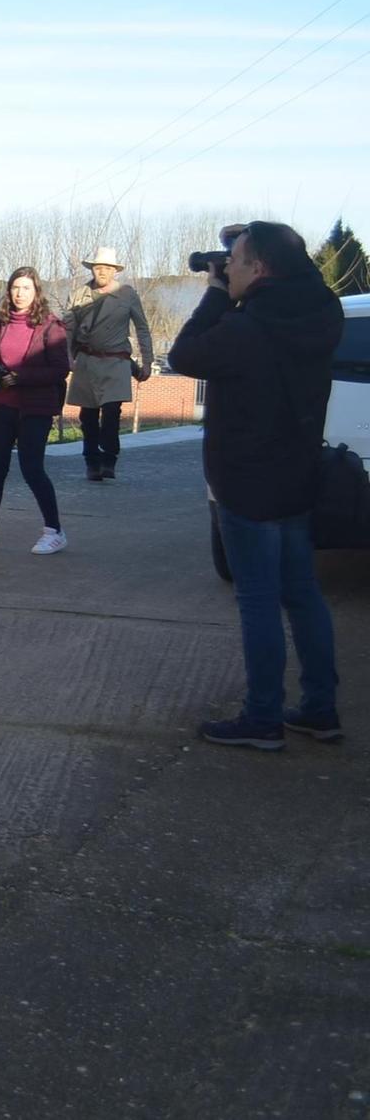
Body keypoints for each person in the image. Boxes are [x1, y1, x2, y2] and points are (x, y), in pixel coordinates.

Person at [168, 221, 343, 750]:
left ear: (259, 269)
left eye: (239, 261)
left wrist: (216, 294)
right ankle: (319, 708)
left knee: (259, 601)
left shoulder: (248, 328)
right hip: (297, 477)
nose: (232, 268)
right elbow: (299, 271)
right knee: (303, 594)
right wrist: (257, 236)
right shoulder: (323, 313)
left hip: (246, 483)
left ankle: (263, 717)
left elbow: (184, 356)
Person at [0, 267, 70, 555]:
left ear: (36, 292)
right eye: (15, 287)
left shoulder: (52, 327)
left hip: (35, 408)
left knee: (32, 468)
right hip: (1, 404)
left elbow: (59, 370)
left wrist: (21, 377)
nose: (19, 293)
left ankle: (54, 531)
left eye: (26, 288)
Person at [63, 246, 154, 482]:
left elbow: (142, 328)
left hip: (116, 360)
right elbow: (68, 330)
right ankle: (91, 462)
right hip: (87, 360)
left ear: (114, 271)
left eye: (106, 268)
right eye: (97, 267)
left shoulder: (127, 294)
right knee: (88, 416)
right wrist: (67, 357)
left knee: (112, 412)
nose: (101, 271)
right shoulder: (79, 295)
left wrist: (147, 360)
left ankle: (109, 458)